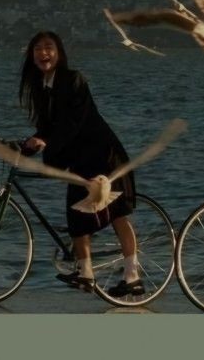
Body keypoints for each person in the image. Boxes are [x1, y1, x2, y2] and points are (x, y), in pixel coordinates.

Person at [18, 31, 140, 295]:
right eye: (37, 48)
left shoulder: (73, 80)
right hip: (80, 156)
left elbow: (73, 123)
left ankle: (132, 275)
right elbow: (48, 128)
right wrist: (28, 145)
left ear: (59, 52)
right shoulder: (42, 88)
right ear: (31, 55)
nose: (43, 53)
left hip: (103, 153)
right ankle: (86, 273)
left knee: (117, 212)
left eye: (49, 47)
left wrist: (48, 147)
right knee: (76, 214)